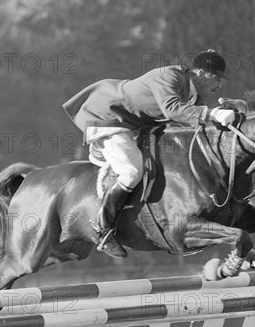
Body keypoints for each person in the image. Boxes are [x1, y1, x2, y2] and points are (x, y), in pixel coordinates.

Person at [62, 49, 236, 258]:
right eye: (217, 78)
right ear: (201, 73)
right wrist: (212, 114)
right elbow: (173, 109)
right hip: (109, 117)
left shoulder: (193, 95)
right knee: (132, 171)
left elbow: (191, 126)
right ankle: (104, 230)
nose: (219, 85)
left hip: (133, 127)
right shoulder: (169, 76)